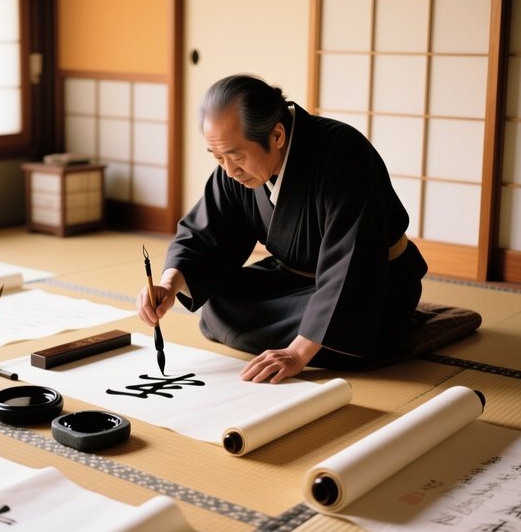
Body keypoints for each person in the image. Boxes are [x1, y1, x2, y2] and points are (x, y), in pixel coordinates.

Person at [136, 74, 428, 384]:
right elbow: (205, 234)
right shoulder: (234, 169)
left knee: (348, 333)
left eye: (236, 157)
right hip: (294, 278)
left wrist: (298, 353)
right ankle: (308, 333)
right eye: (218, 158)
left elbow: (351, 262)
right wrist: (169, 284)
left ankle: (319, 337)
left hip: (369, 282)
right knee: (218, 304)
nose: (230, 171)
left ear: (277, 136)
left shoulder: (344, 153)